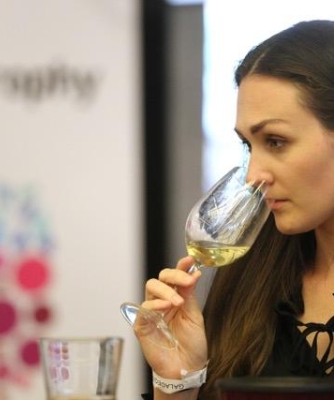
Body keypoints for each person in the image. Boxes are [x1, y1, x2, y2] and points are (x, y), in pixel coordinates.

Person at [135, 19, 334, 400]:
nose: (254, 174)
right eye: (248, 145)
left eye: (275, 141)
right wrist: (178, 380)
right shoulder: (254, 273)